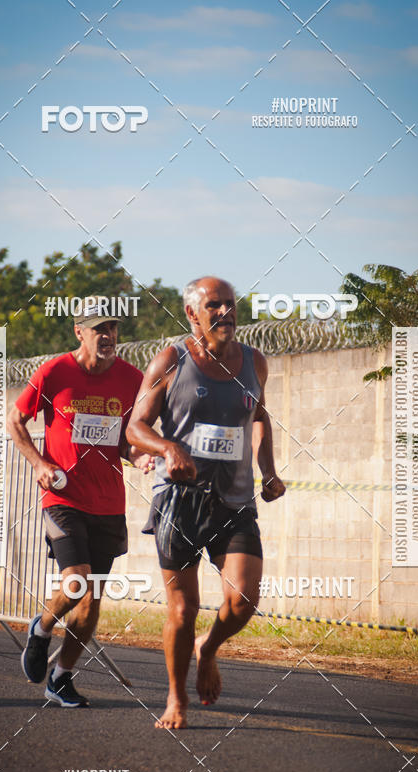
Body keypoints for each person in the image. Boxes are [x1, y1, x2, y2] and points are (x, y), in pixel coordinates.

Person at [126, 276, 285, 729]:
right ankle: (176, 699)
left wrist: (269, 470)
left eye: (230, 304)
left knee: (243, 600)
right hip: (179, 502)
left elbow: (259, 416)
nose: (225, 312)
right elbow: (135, 427)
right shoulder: (170, 361)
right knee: (182, 610)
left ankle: (208, 647)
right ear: (192, 313)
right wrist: (168, 448)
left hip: (234, 501)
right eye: (214, 305)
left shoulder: (254, 362)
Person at [7, 300, 152, 707]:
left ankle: (61, 677)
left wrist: (140, 456)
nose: (107, 335)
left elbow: (126, 440)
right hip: (63, 496)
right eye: (98, 328)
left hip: (108, 503)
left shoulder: (132, 379)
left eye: (112, 328)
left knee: (90, 603)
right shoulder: (55, 372)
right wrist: (38, 463)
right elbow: (16, 420)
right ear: (79, 332)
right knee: (76, 581)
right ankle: (41, 628)